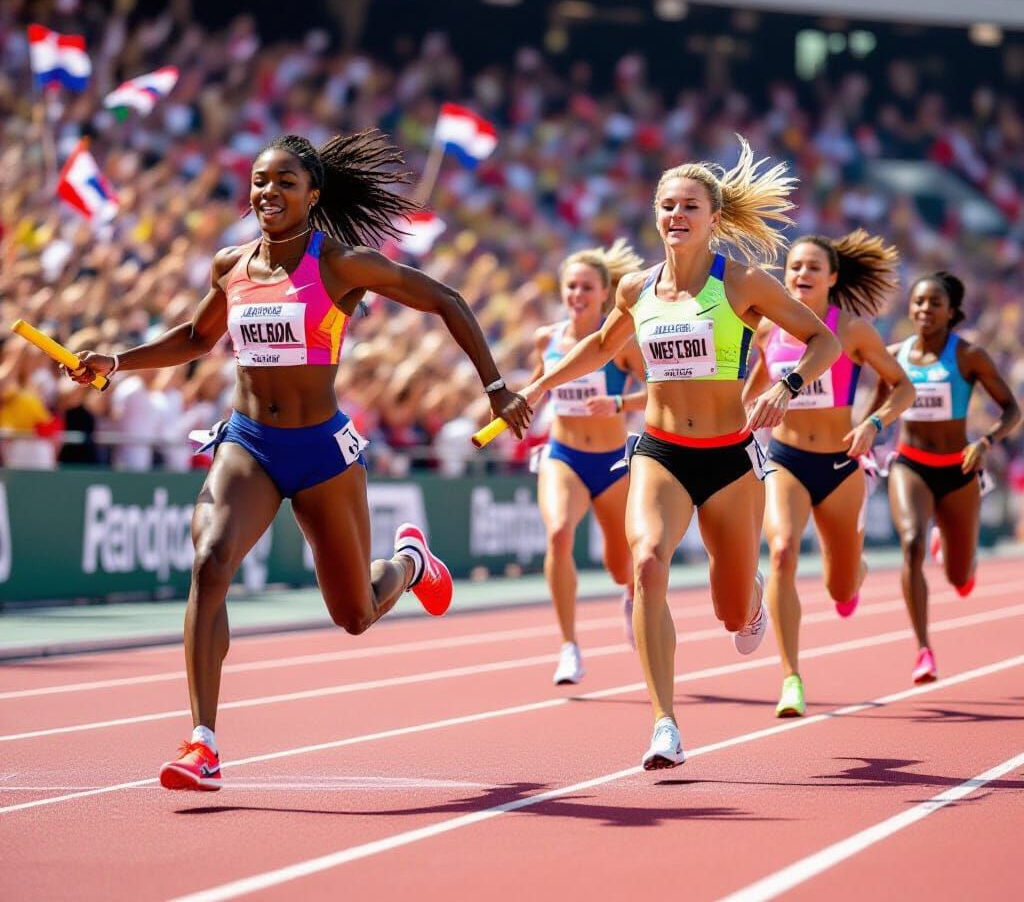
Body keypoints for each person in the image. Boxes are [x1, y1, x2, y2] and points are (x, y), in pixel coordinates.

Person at [67, 130, 531, 791]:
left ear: (313, 195)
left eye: (285, 182)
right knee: (209, 558)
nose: (268, 192)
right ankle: (203, 741)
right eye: (260, 180)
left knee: (355, 615)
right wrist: (118, 361)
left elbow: (445, 300)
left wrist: (494, 388)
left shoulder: (338, 262)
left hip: (320, 451)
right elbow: (199, 338)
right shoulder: (231, 266)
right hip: (249, 442)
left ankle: (410, 563)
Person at [520, 137, 841, 769]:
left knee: (731, 610)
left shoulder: (742, 281)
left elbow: (822, 341)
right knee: (646, 565)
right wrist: (537, 385)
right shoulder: (636, 289)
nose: (676, 215)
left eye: (690, 206)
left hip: (728, 457)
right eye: (667, 205)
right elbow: (600, 350)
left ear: (713, 219)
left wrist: (787, 384)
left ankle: (747, 599)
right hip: (660, 451)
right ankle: (664, 723)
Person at [742, 231, 915, 718]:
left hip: (840, 467)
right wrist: (740, 415)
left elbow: (901, 388)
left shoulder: (852, 331)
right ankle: (791, 677)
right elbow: (757, 385)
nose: (801, 275)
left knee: (840, 588)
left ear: (832, 277)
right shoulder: (767, 332)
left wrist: (873, 422)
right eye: (794, 266)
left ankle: (854, 573)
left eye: (813, 268)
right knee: (780, 551)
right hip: (786, 461)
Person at [867, 271, 1020, 684]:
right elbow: (874, 412)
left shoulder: (969, 356)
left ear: (952, 312)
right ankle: (923, 649)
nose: (924, 310)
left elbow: (1012, 410)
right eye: (918, 302)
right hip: (911, 465)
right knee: (911, 543)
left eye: (935, 303)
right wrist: (868, 437)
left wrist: (986, 442)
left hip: (959, 467)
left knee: (960, 577)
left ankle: (950, 547)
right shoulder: (894, 355)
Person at [527, 240, 647, 684]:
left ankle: (631, 594)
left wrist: (618, 402)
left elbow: (658, 391)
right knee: (558, 533)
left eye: (586, 287)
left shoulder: (621, 343)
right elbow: (537, 385)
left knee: (622, 567)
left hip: (613, 463)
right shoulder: (548, 338)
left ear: (604, 293)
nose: (577, 294)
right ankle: (569, 646)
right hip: (564, 455)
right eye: (570, 286)